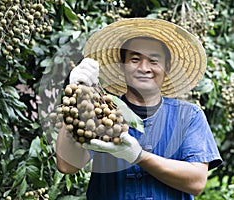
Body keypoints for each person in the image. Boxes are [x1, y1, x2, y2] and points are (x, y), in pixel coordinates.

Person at [55, 18, 222, 200]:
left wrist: (139, 156)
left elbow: (196, 182)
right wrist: (77, 97)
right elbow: (67, 165)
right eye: (135, 59)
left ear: (166, 68)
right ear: (123, 65)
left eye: (153, 60)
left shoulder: (189, 116)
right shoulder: (100, 111)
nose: (144, 68)